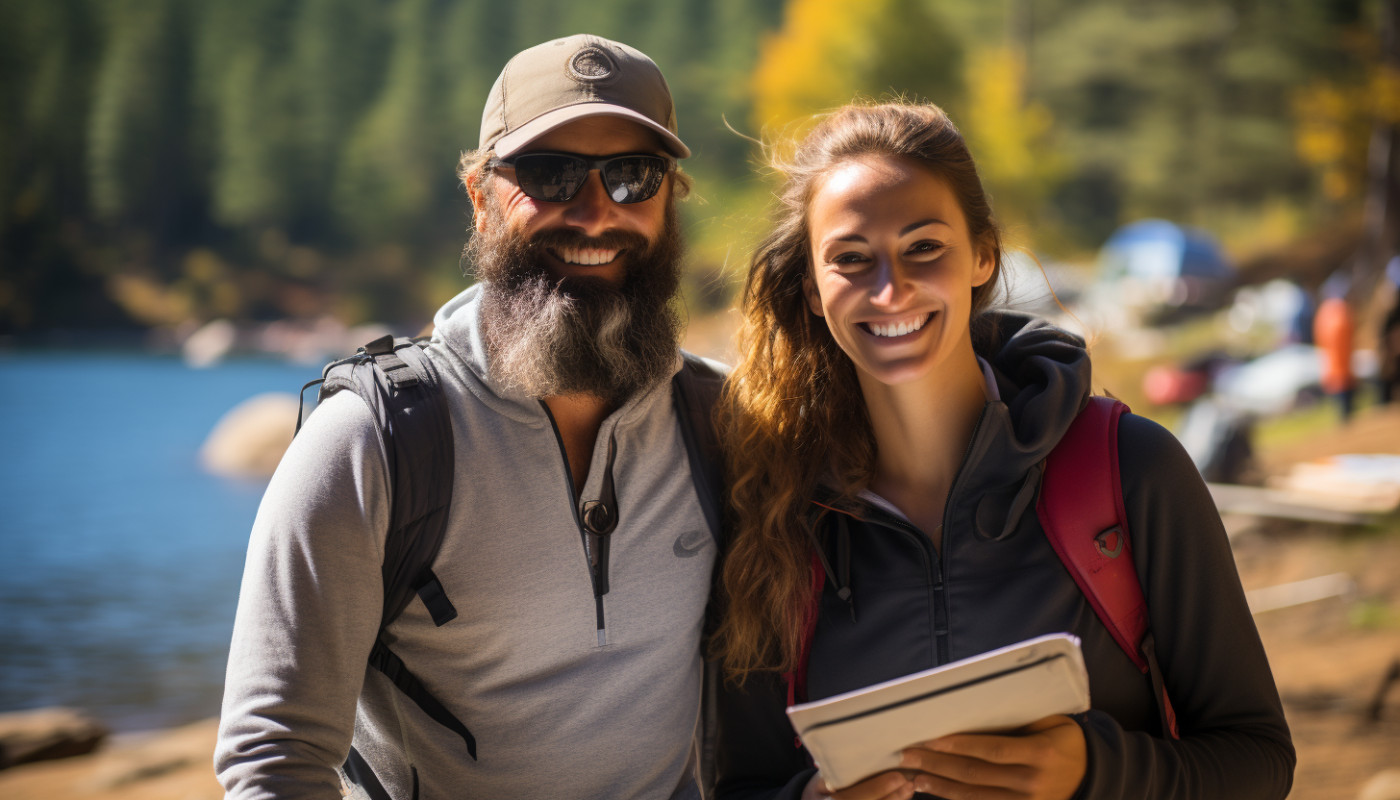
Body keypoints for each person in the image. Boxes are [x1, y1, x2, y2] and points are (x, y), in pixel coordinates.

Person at [711, 102, 1294, 800]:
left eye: (924, 247)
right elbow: (744, 782)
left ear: (984, 254)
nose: (890, 289)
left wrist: (1096, 771)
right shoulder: (771, 516)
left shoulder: (1131, 470)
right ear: (810, 286)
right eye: (850, 259)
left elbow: (1258, 759)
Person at [216, 35, 720, 800]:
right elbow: (274, 757)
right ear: (481, 199)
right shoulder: (375, 443)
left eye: (632, 176)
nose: (594, 213)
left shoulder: (720, 421)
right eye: (550, 175)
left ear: (669, 199)